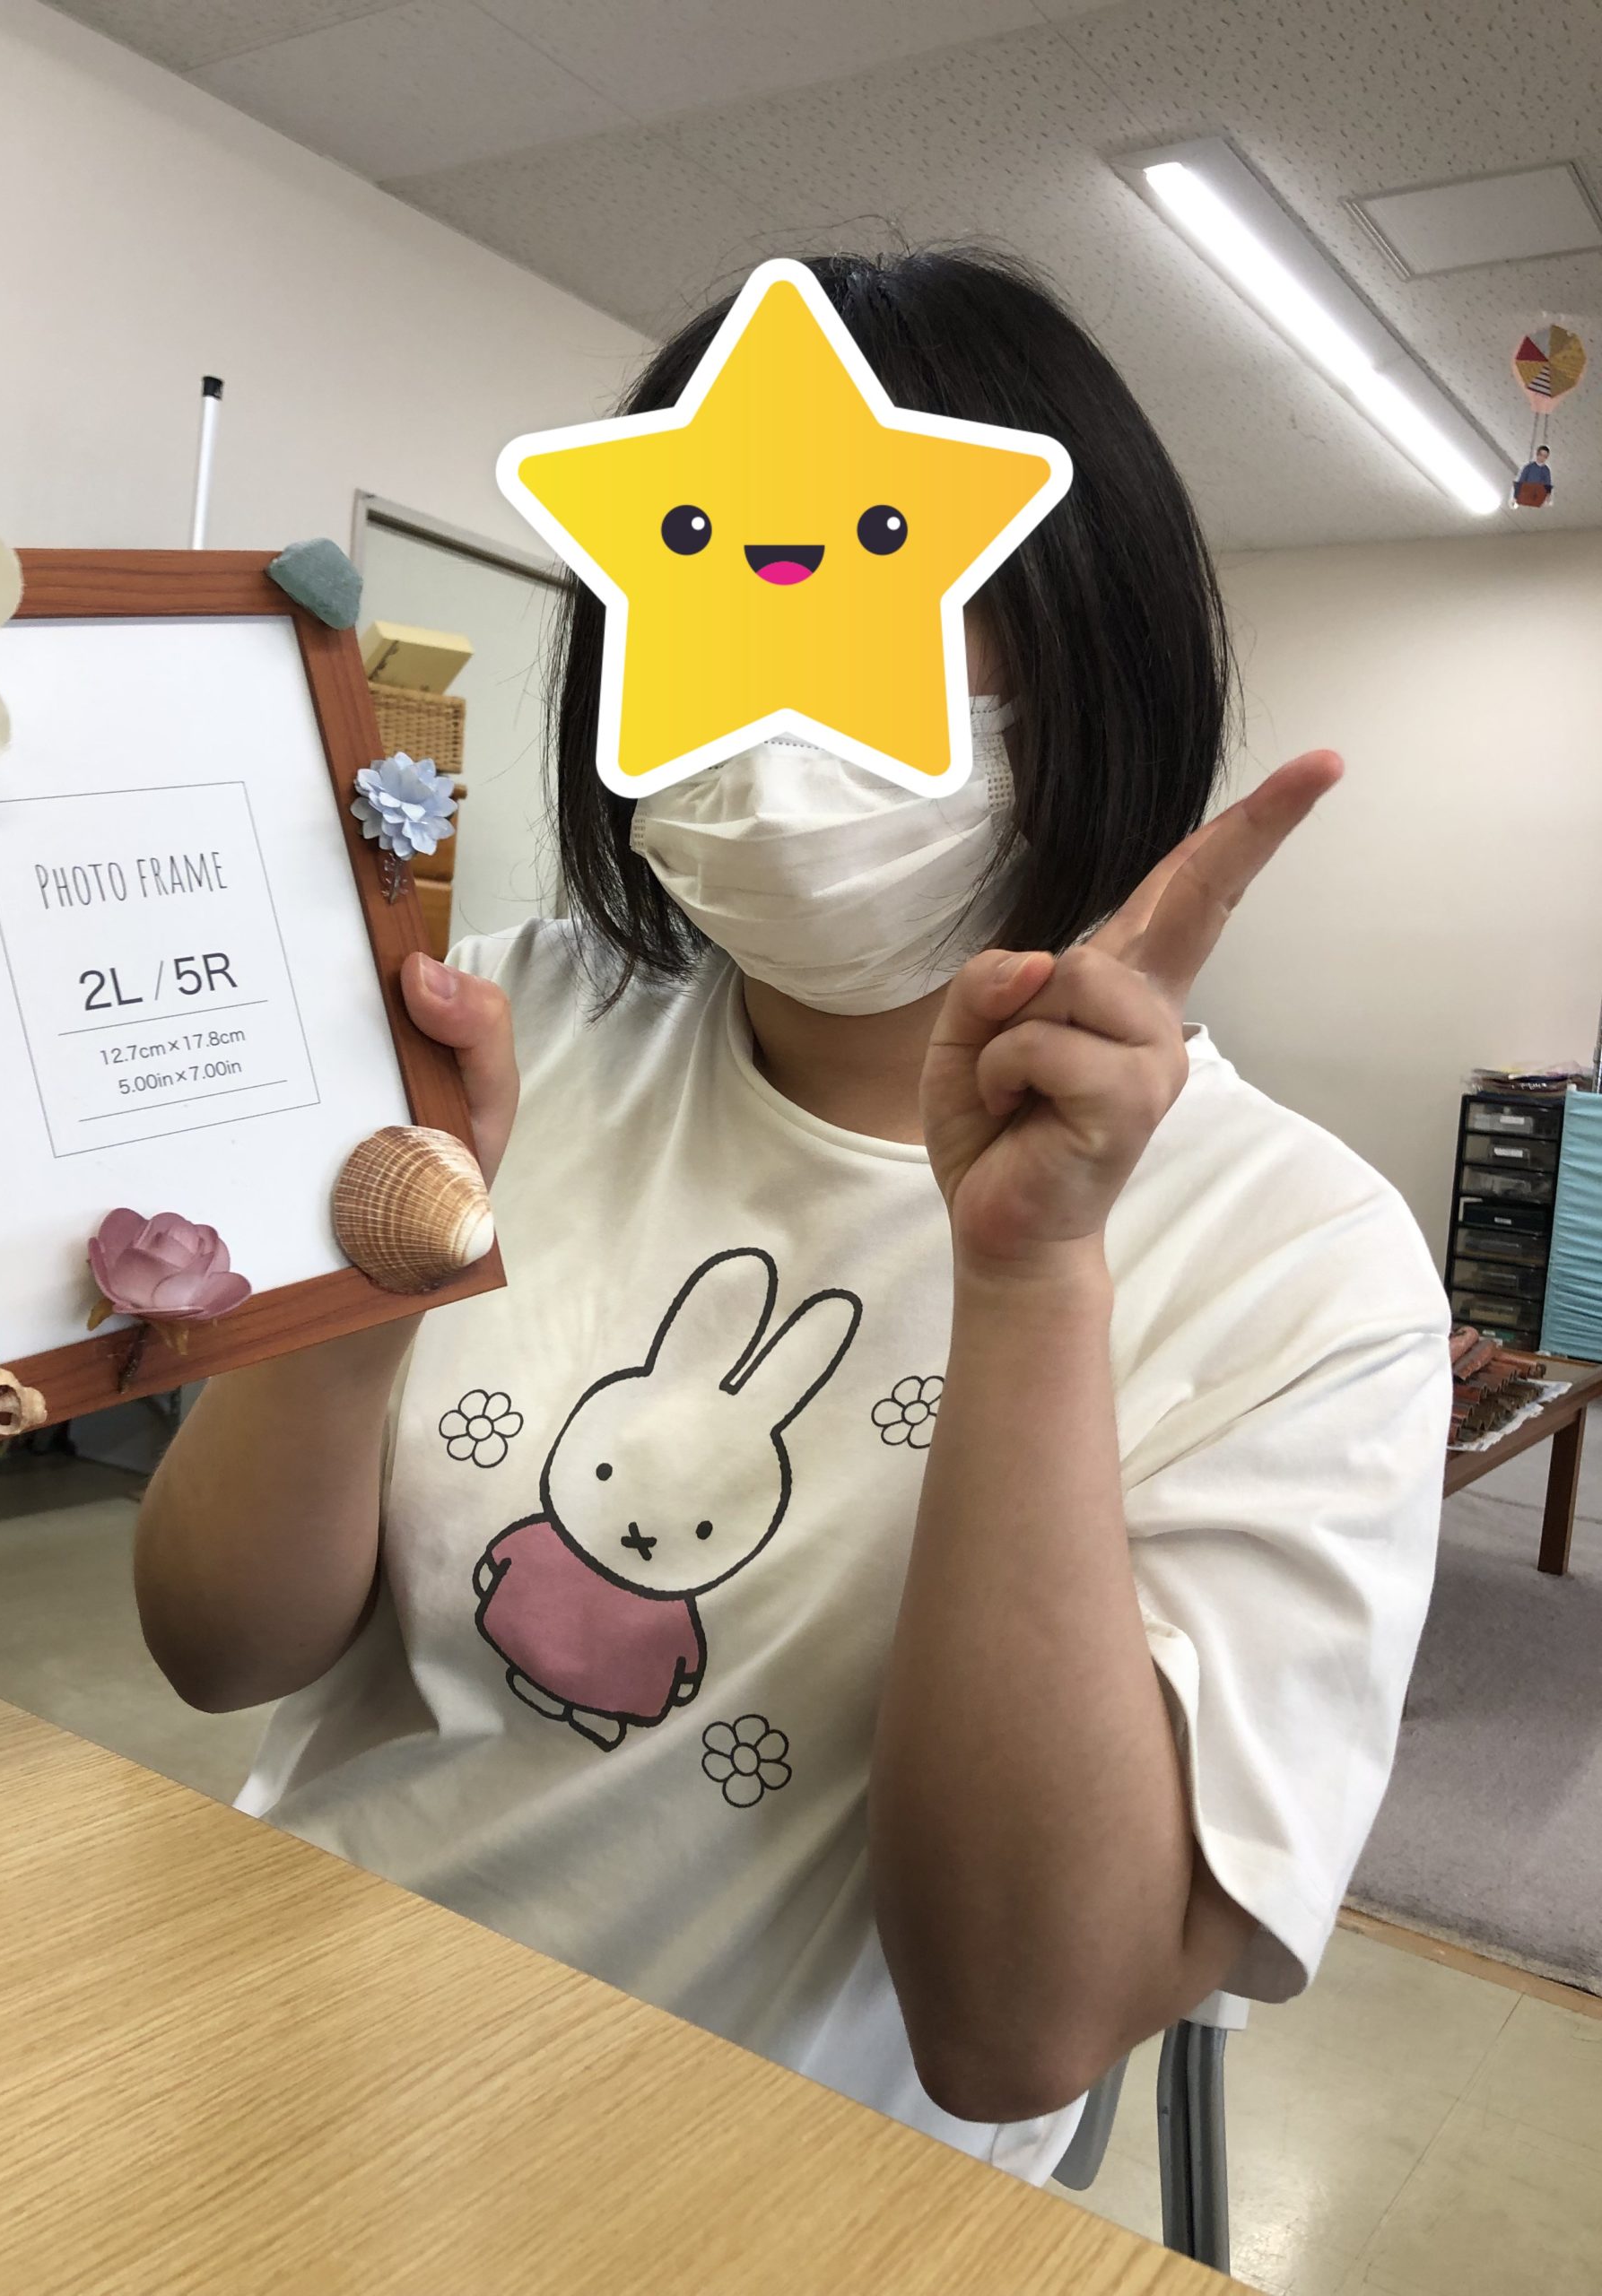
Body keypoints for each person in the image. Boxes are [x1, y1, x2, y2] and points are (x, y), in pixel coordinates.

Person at [135, 248, 1450, 2186]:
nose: (783, 664)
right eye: (702, 564)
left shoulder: (1297, 1258)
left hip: (787, 2209)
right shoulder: (497, 1032)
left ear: (1090, 649)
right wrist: (373, 1274)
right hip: (299, 2071)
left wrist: (1031, 1281)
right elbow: (217, 1643)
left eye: (887, 567)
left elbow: (1016, 2024)